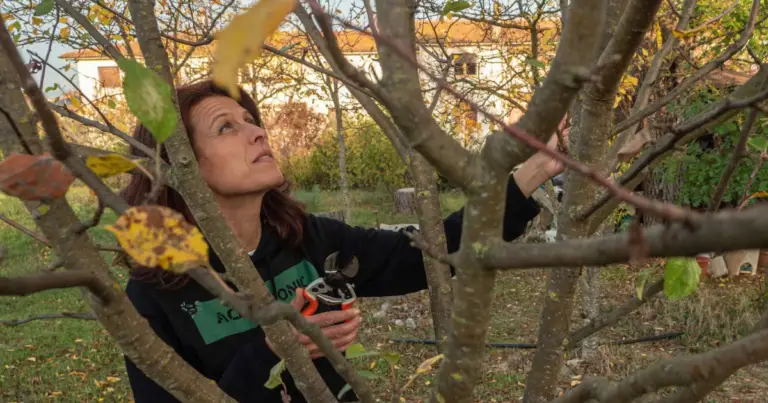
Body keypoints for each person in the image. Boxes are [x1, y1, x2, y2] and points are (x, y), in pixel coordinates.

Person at [120, 80, 566, 403]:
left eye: (251, 121)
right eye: (225, 127)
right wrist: (274, 351)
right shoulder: (154, 292)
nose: (257, 132)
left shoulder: (306, 238)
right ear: (178, 166)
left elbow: (424, 254)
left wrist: (533, 172)